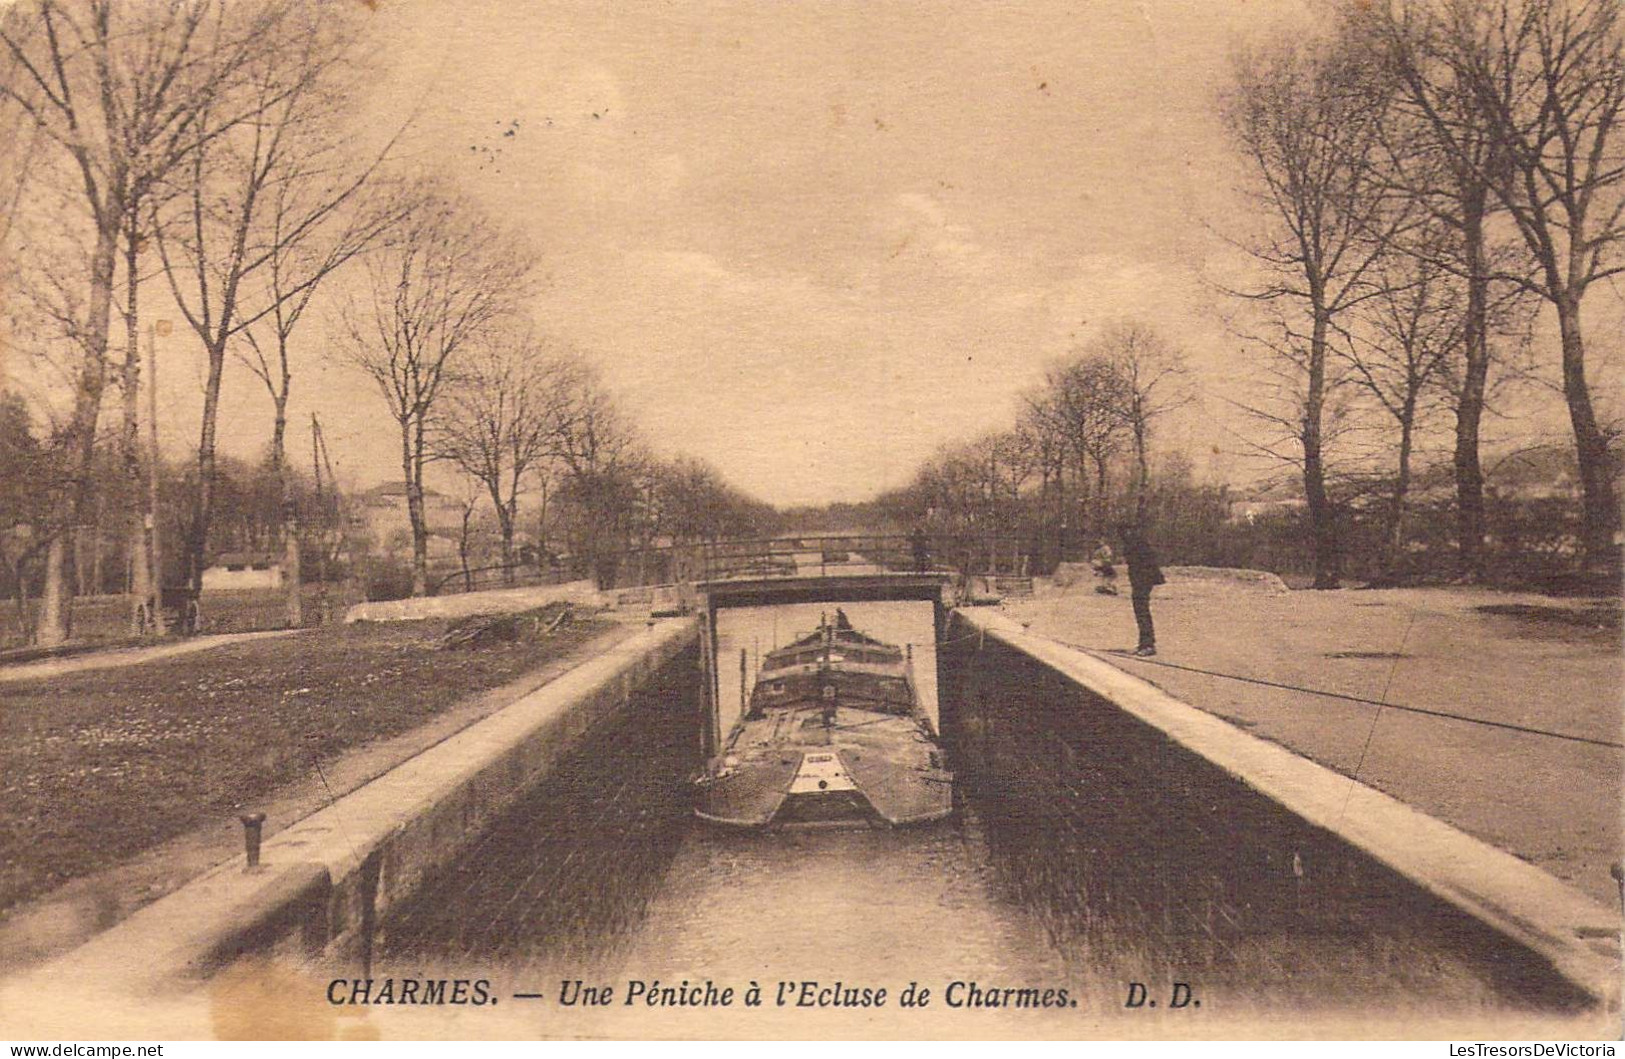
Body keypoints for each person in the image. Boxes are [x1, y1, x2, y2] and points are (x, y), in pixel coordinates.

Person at [1117, 522, 1165, 656]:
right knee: (1141, 611)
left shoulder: (1137, 543)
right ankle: (1144, 643)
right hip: (1140, 581)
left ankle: (1148, 644)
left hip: (1143, 581)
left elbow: (1147, 563)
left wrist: (1146, 579)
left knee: (1142, 611)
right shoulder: (1135, 542)